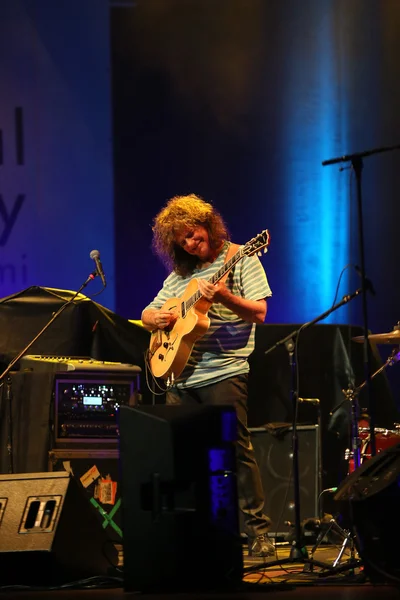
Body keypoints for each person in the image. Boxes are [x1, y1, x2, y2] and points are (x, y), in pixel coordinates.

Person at [141, 193, 274, 557]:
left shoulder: (240, 256)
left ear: (208, 225)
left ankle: (259, 533)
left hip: (225, 373)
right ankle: (193, 535)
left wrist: (226, 298)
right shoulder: (180, 275)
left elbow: (260, 313)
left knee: (235, 451)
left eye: (194, 233)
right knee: (181, 455)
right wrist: (159, 318)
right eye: (182, 240)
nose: (190, 242)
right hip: (181, 378)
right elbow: (147, 314)